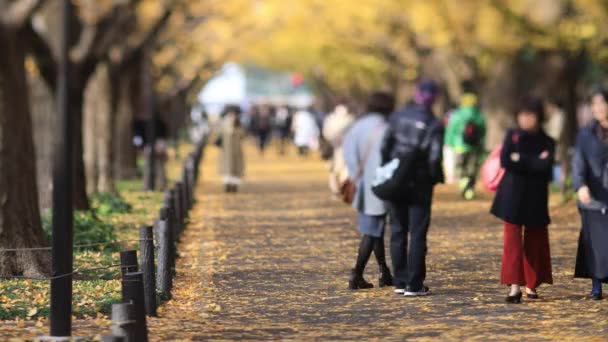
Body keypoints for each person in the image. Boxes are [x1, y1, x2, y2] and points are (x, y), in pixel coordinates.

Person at [380, 80, 444, 296]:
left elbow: (385, 145)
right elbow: (434, 158)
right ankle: (414, 284)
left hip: (397, 178)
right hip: (420, 183)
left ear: (416, 94)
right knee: (417, 234)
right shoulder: (434, 124)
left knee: (397, 230)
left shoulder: (398, 116)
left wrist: (389, 168)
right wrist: (434, 178)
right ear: (434, 98)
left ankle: (399, 280)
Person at [490, 96, 555, 303]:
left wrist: (522, 161)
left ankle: (531, 285)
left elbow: (545, 168)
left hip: (536, 196)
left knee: (535, 241)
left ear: (539, 117)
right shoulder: (513, 136)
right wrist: (534, 161)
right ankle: (514, 286)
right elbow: (506, 161)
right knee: (512, 242)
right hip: (512, 196)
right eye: (522, 115)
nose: (525, 119)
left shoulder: (547, 141)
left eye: (530, 115)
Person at [343, 92, 395, 290]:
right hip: (382, 183)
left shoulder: (357, 127)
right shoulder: (387, 127)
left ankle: (384, 271)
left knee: (374, 229)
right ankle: (357, 274)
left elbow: (348, 153)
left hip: (363, 183)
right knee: (372, 231)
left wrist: (356, 175)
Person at [572, 89, 608, 300]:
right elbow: (578, 162)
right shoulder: (585, 134)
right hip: (593, 196)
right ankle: (596, 285)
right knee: (595, 241)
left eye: (603, 103)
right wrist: (580, 185)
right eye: (595, 104)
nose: (599, 108)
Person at [445, 93, 486, 199]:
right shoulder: (479, 116)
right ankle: (469, 189)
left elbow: (451, 130)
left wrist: (449, 143)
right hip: (474, 147)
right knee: (471, 168)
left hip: (459, 147)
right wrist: (481, 146)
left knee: (460, 167)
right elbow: (483, 132)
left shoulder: (456, 115)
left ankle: (463, 184)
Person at [323, 104, 355, 196]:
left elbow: (326, 132)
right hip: (337, 148)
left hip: (339, 148)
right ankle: (339, 188)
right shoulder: (350, 119)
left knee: (337, 170)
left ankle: (338, 188)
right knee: (338, 170)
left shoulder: (331, 118)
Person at [218, 105, 245, 193]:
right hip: (226, 151)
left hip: (236, 151)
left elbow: (243, 135)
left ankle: (234, 185)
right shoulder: (223, 124)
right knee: (227, 168)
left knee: (236, 168)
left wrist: (235, 128)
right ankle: (227, 184)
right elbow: (217, 136)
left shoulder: (239, 125)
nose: (232, 116)